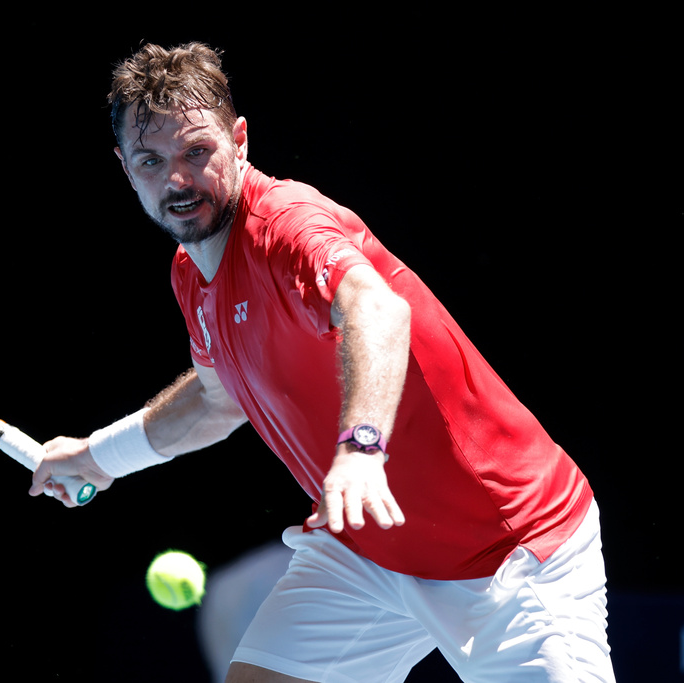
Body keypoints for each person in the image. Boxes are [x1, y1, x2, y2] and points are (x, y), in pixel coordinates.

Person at [30, 42, 615, 682]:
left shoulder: (288, 226)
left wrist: (361, 448)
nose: (177, 179)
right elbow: (216, 400)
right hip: (369, 550)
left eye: (197, 152)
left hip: (505, 547)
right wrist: (97, 456)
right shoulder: (190, 272)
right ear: (125, 167)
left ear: (239, 140)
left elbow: (378, 310)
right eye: (152, 160)